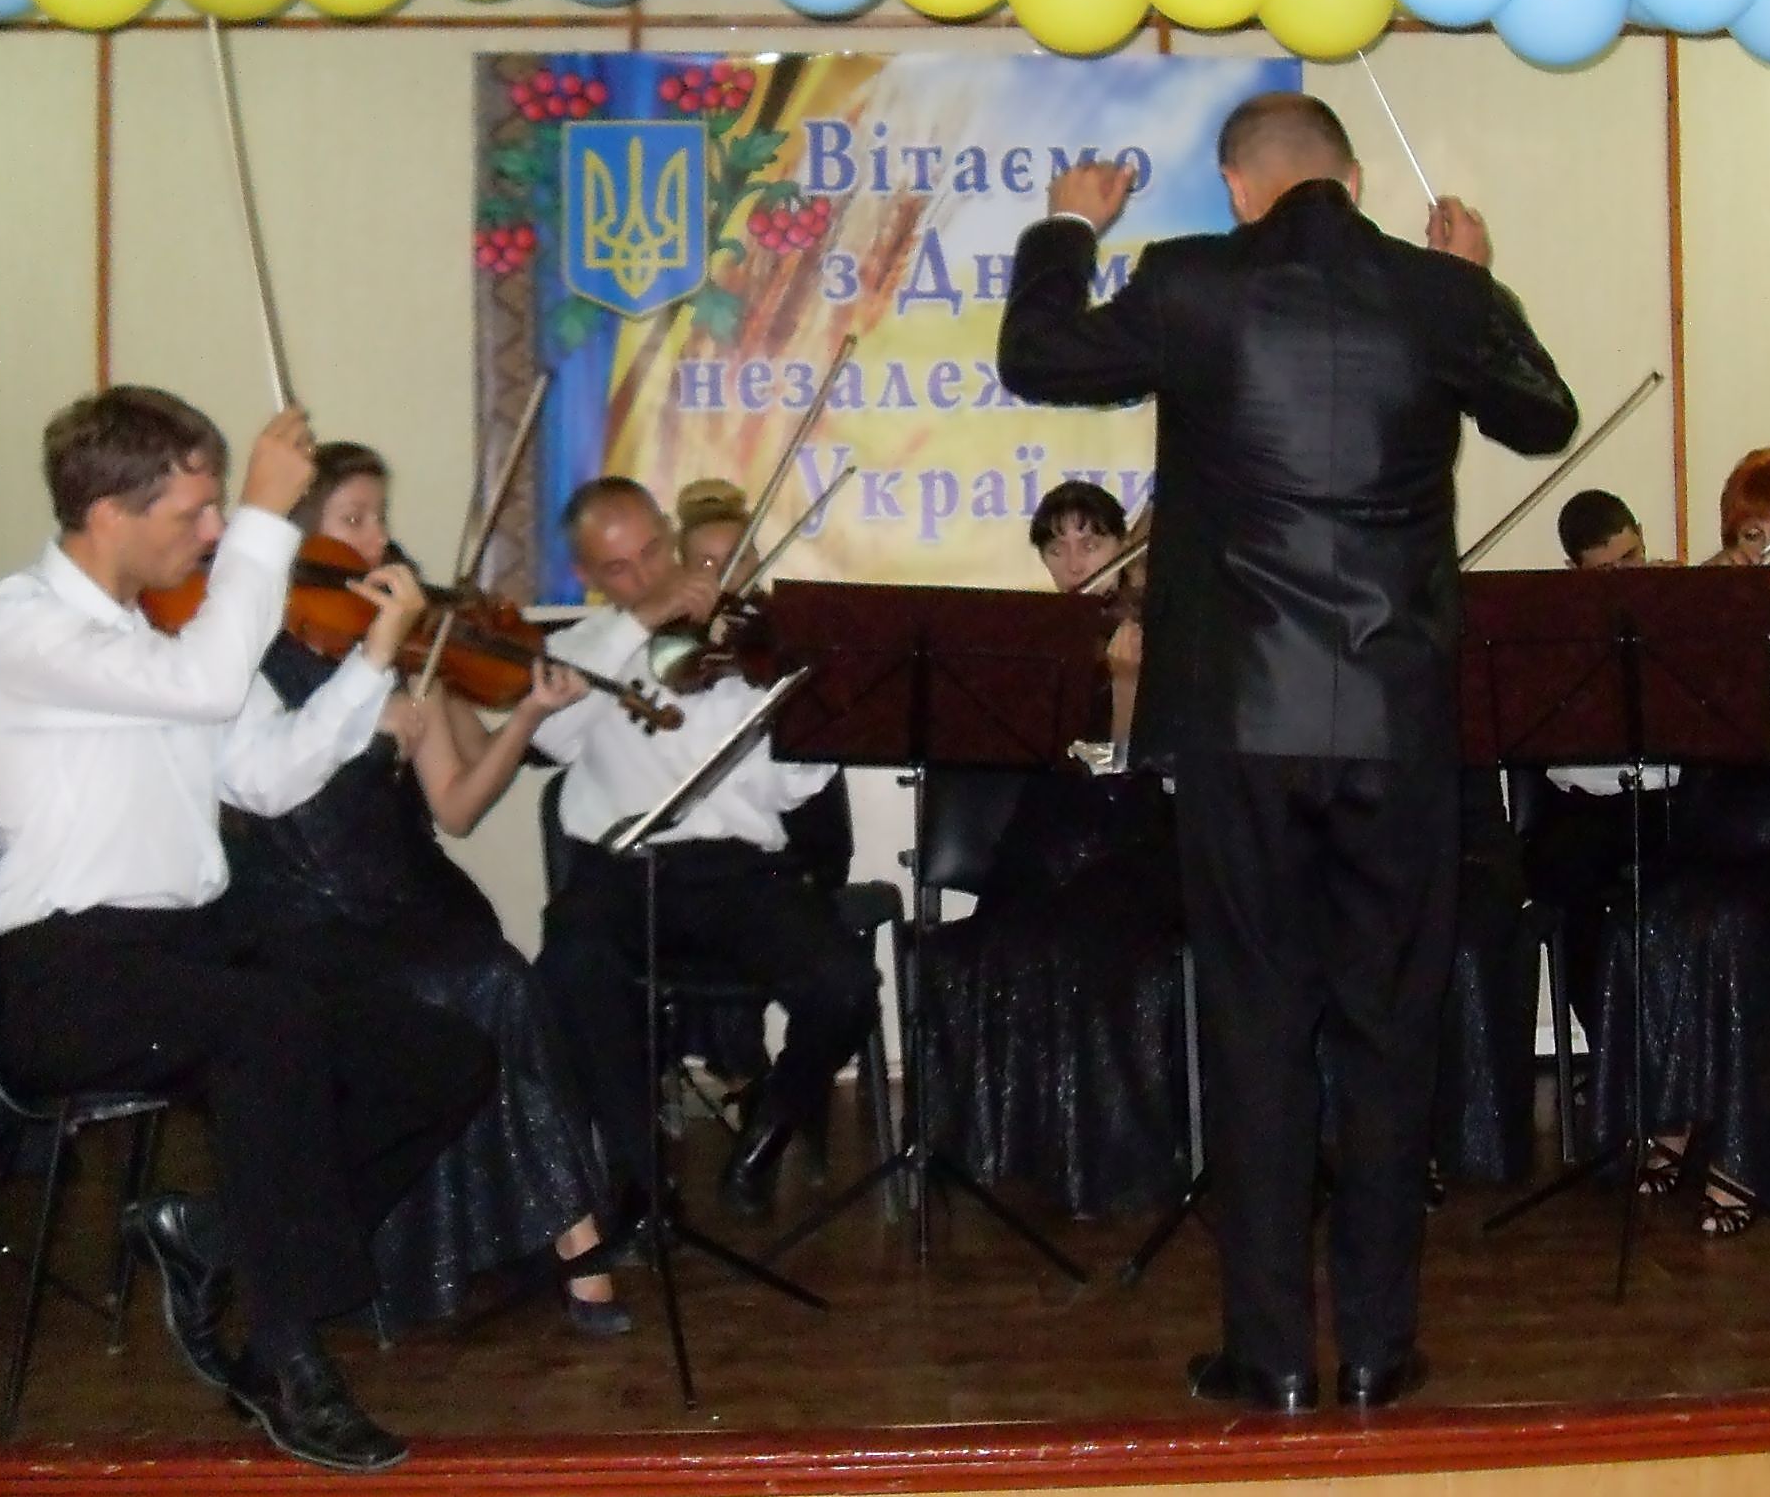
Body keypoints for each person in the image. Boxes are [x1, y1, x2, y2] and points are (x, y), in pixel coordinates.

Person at [998, 90, 1578, 1412]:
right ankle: (1375, 1346)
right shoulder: (1437, 295)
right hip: (1396, 729)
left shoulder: (1188, 279)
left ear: (1236, 186)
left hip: (1242, 729)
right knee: (1390, 1027)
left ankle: (1268, 1355)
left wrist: (1067, 227)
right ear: (1356, 180)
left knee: (1254, 1028)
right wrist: (1482, 286)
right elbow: (1544, 418)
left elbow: (1039, 356)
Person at [0, 388, 493, 1473]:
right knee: (266, 1026)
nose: (211, 534)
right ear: (108, 512)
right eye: (193, 514)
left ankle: (212, 1239)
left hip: (191, 952)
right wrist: (260, 514)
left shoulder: (168, 633)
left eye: (217, 514)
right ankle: (288, 1361)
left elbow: (274, 774)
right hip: (73, 972)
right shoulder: (21, 626)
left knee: (442, 1058)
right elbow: (205, 689)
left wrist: (375, 657)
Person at [224, 443, 628, 1336]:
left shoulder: (405, 646)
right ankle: (577, 1241)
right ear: (299, 539)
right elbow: (265, 791)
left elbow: (457, 806)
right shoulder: (246, 657)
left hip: (414, 899)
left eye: (379, 517)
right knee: (493, 983)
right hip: (304, 918)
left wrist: (526, 715)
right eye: (354, 520)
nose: (379, 541)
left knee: (499, 976)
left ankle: (565, 1230)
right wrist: (368, 728)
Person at [531, 477, 877, 1220]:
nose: (648, 575)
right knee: (570, 966)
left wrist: (809, 716)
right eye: (621, 569)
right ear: (591, 577)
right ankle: (639, 1179)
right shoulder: (581, 651)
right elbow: (549, 734)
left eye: (654, 552)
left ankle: (766, 1137)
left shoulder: (753, 656)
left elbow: (789, 790)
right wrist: (640, 623)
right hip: (621, 873)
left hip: (740, 876)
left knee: (845, 984)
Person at [1588, 448, 1770, 1238]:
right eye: (1751, 534)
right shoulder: (1722, 623)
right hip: (1726, 841)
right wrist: (1694, 603)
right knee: (1643, 918)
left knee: (1732, 926)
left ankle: (1743, 1157)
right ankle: (1668, 1119)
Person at [914, 480, 1190, 1218]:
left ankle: (1105, 1166)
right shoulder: (1033, 637)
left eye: (1092, 543)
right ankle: (1003, 1149)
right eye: (1056, 547)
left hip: (1131, 843)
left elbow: (1140, 769)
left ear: (1123, 549)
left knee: (1083, 948)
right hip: (1049, 833)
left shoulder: (1166, 634)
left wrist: (1126, 684)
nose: (1074, 562)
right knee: (996, 943)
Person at [1518, 490, 1675, 1042]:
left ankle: (1679, 1059)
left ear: (1642, 536)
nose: (1625, 577)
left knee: (1705, 883)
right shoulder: (1549, 630)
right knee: (1564, 883)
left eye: (1632, 557)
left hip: (1667, 802)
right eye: (1606, 571)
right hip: (1582, 807)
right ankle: (1614, 1056)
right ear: (1574, 571)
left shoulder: (1684, 606)